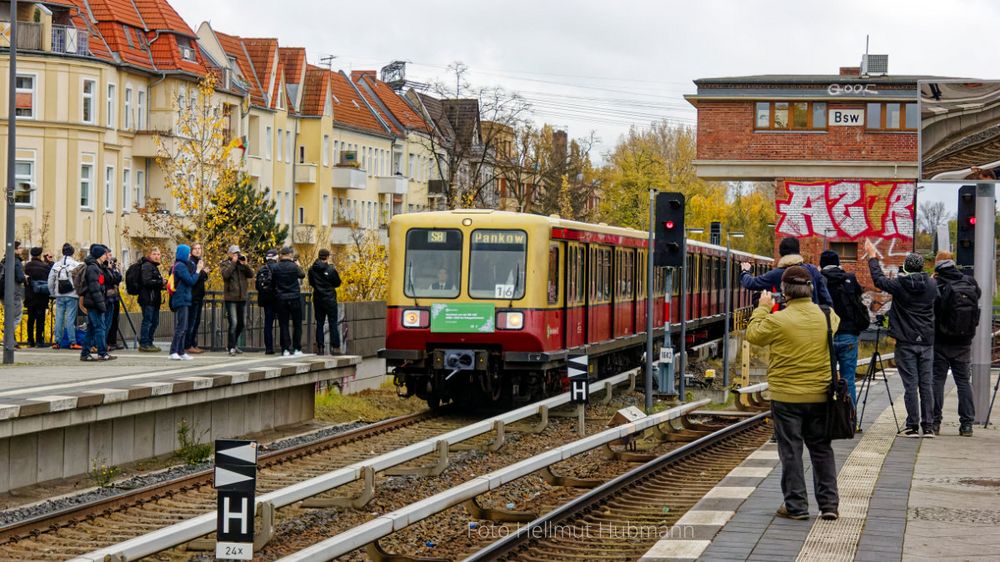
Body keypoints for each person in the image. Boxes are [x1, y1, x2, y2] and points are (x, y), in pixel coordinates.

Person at [747, 265, 840, 521]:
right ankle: (829, 504)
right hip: (821, 395)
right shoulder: (828, 315)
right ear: (810, 289)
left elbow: (753, 335)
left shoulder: (778, 320)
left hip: (786, 397)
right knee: (822, 449)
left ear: (784, 292)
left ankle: (796, 506)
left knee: (791, 451)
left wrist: (763, 307)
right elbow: (835, 325)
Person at [864, 240, 937, 438]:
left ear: (905, 267)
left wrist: (872, 256)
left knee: (910, 385)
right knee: (926, 384)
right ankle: (928, 426)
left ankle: (912, 426)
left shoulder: (900, 284)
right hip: (927, 341)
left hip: (905, 341)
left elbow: (879, 280)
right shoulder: (932, 285)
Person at [931, 251, 980, 437]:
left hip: (941, 340)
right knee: (963, 382)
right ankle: (967, 424)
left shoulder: (937, 283)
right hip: (964, 341)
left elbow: (933, 308)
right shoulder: (969, 281)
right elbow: (978, 297)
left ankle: (935, 423)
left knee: (937, 381)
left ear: (938, 264)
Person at [819, 250, 869, 405]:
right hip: (849, 335)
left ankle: (828, 420)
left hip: (826, 336)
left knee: (826, 379)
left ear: (821, 265)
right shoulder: (850, 279)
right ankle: (851, 420)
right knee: (849, 380)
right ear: (838, 262)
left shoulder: (819, 281)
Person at [740, 237, 832, 306]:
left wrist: (745, 272)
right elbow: (826, 298)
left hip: (787, 323)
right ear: (798, 251)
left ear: (781, 253)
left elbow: (751, 283)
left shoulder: (775, 274)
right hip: (813, 321)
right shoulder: (812, 270)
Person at [79, 245, 115, 361]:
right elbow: (95, 288)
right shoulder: (93, 268)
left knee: (92, 328)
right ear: (99, 255)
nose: (106, 256)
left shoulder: (98, 267)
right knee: (100, 327)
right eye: (104, 254)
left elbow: (110, 280)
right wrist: (101, 304)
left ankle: (85, 353)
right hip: (94, 303)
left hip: (94, 302)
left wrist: (108, 268)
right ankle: (102, 352)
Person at [168, 244, 200, 361]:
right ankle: (173, 351)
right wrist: (198, 271)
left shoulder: (182, 265)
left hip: (185, 298)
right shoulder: (180, 266)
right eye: (187, 253)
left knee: (184, 326)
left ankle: (181, 351)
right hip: (181, 298)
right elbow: (191, 281)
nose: (189, 255)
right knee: (181, 327)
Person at [220, 244, 253, 356]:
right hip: (231, 298)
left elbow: (251, 274)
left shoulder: (241, 264)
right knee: (233, 323)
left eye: (237, 253)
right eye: (234, 253)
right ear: (229, 254)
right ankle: (231, 347)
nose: (236, 255)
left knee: (242, 323)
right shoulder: (225, 264)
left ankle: (233, 344)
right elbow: (225, 275)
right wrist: (233, 263)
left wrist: (246, 265)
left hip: (242, 297)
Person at [47, 243, 82, 350]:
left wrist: (53, 292)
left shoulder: (56, 265)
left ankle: (57, 342)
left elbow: (50, 281)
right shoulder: (76, 264)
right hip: (72, 295)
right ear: (72, 252)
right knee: (70, 319)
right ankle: (72, 342)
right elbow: (80, 280)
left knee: (59, 318)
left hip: (59, 295)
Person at [309, 248, 342, 354]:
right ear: (327, 257)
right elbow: (337, 283)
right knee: (333, 322)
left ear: (319, 256)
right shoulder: (331, 270)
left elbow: (311, 283)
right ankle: (335, 347)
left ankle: (320, 346)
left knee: (319, 323)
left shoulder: (312, 269)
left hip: (318, 299)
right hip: (330, 299)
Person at [273, 247, 305, 356]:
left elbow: (272, 281)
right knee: (297, 324)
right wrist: (298, 265)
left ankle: (285, 349)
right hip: (295, 297)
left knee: (283, 324)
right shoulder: (294, 266)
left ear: (281, 255)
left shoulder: (276, 267)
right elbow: (302, 275)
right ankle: (297, 348)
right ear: (290, 254)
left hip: (281, 298)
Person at [138, 247, 166, 352]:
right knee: (148, 321)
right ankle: (144, 343)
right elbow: (146, 281)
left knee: (154, 322)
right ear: (149, 255)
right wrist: (160, 282)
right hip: (148, 299)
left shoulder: (154, 267)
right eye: (154, 254)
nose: (157, 256)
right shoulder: (147, 266)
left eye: (158, 254)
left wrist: (162, 283)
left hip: (154, 299)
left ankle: (149, 342)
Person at [23, 247, 52, 347]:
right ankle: (39, 341)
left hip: (30, 296)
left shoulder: (27, 266)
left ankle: (30, 340)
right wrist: (49, 262)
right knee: (40, 320)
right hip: (41, 297)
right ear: (40, 255)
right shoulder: (45, 266)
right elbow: (50, 277)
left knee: (30, 319)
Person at [185, 242, 210, 354]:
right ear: (191, 251)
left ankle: (193, 344)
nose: (198, 250)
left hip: (199, 295)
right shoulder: (190, 262)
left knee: (196, 322)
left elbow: (200, 277)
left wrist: (204, 273)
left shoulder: (199, 261)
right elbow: (193, 278)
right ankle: (188, 344)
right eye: (195, 249)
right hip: (193, 296)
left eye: (199, 248)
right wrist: (203, 272)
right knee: (192, 322)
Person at [1, 241, 25, 346]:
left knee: (8, 316)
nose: (22, 250)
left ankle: (10, 340)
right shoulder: (16, 261)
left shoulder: (4, 260)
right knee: (16, 316)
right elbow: (19, 278)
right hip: (14, 292)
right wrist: (25, 277)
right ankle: (8, 339)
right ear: (15, 249)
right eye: (20, 248)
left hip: (3, 292)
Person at [257, 249, 279, 354]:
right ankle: (285, 348)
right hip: (278, 299)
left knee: (268, 324)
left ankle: (268, 348)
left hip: (266, 300)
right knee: (283, 323)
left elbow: (257, 286)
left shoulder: (262, 269)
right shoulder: (278, 268)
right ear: (276, 257)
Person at [104, 252, 123, 351]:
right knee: (107, 320)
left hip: (115, 296)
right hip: (107, 297)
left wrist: (116, 269)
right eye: (109, 255)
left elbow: (119, 278)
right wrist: (110, 269)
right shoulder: (104, 267)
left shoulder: (112, 267)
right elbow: (112, 279)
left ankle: (113, 341)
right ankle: (106, 342)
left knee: (115, 319)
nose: (111, 257)